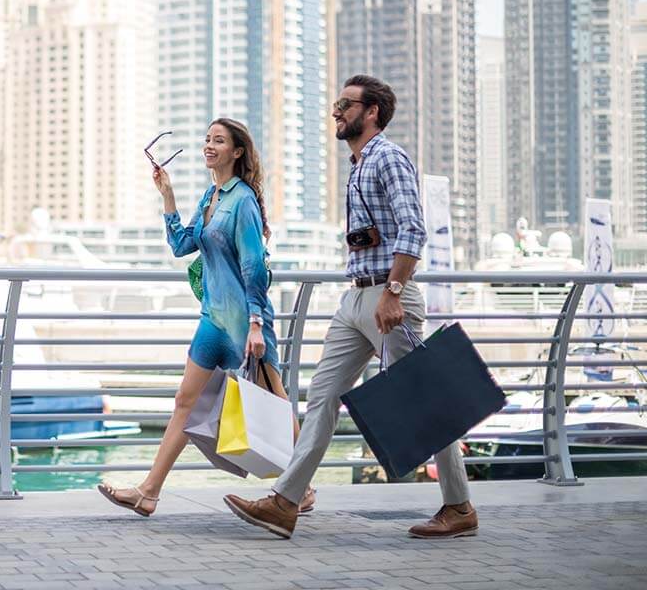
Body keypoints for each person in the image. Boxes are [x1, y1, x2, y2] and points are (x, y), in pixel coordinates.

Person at [223, 75, 477, 540]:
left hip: (387, 299)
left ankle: (459, 506)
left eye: (344, 104)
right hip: (355, 297)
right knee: (321, 398)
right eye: (336, 104)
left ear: (372, 111)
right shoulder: (359, 164)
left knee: (427, 401)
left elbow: (412, 229)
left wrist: (394, 293)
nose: (336, 112)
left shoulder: (389, 158)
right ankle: (285, 502)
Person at [97, 117, 315, 517]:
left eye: (219, 141)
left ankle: (301, 488)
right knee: (185, 400)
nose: (209, 146)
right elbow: (182, 245)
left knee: (274, 405)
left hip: (245, 324)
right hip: (212, 320)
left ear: (237, 151)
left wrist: (254, 325)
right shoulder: (210, 197)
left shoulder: (243, 200)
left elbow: (253, 267)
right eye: (207, 140)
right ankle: (149, 492)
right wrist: (167, 196)